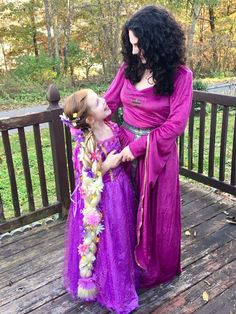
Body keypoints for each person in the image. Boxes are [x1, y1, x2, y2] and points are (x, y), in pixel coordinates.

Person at [104, 5, 193, 288]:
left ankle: (153, 270)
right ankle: (124, 264)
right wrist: (82, 121)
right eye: (130, 45)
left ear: (157, 42)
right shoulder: (129, 69)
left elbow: (175, 125)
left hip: (156, 155)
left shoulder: (181, 77)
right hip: (123, 150)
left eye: (138, 45)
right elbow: (109, 104)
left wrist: (137, 148)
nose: (133, 52)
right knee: (124, 209)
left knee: (156, 215)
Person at [62, 89, 139, 313]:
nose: (105, 101)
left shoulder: (112, 127)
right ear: (89, 119)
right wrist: (109, 164)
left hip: (121, 191)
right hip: (103, 197)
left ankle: (124, 278)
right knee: (107, 241)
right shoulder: (85, 144)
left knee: (122, 236)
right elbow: (86, 177)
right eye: (98, 102)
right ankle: (110, 286)